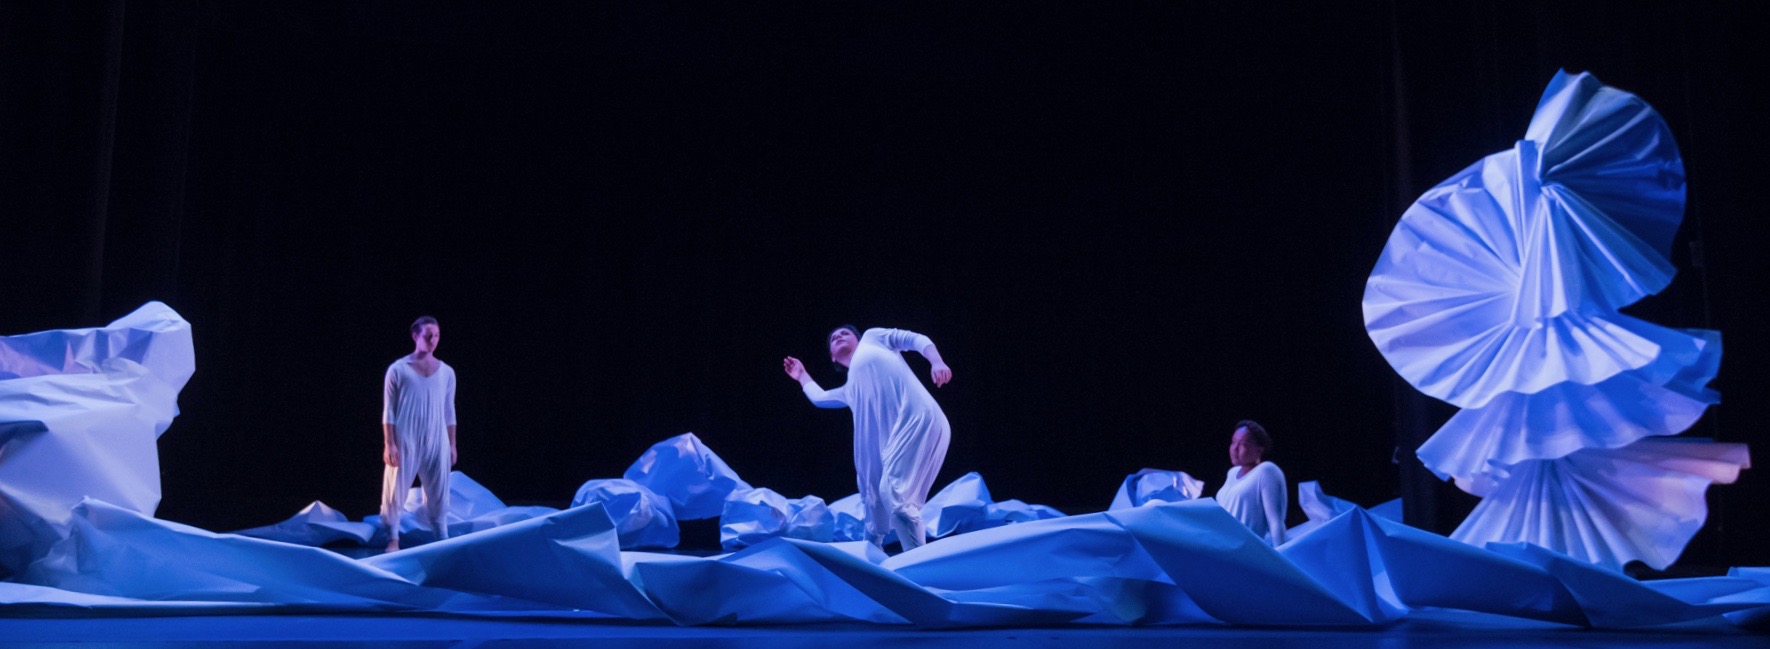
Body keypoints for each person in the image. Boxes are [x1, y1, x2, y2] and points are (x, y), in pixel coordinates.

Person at [784, 325, 952, 551]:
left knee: (894, 496)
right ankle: (876, 559)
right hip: (899, 440)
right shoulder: (850, 389)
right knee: (880, 501)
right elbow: (820, 397)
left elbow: (915, 339)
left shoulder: (872, 338)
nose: (839, 336)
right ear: (833, 357)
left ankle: (921, 568)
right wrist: (802, 376)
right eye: (833, 338)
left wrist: (937, 361)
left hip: (919, 420)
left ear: (858, 339)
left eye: (845, 333)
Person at [380, 315, 458, 552]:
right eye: (428, 335)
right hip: (406, 438)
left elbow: (449, 411)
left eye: (436, 335)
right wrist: (389, 443)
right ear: (416, 336)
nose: (433, 340)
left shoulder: (446, 372)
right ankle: (393, 538)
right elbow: (389, 411)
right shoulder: (398, 370)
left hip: (436, 439)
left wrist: (452, 444)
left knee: (439, 489)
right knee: (395, 488)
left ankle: (441, 536)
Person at [1216, 419, 1287, 546]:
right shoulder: (1232, 473)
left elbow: (1275, 522)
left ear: (1258, 450)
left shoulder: (1266, 471)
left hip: (1242, 551)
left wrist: (1281, 558)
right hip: (1220, 546)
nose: (1235, 449)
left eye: (1243, 444)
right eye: (1233, 442)